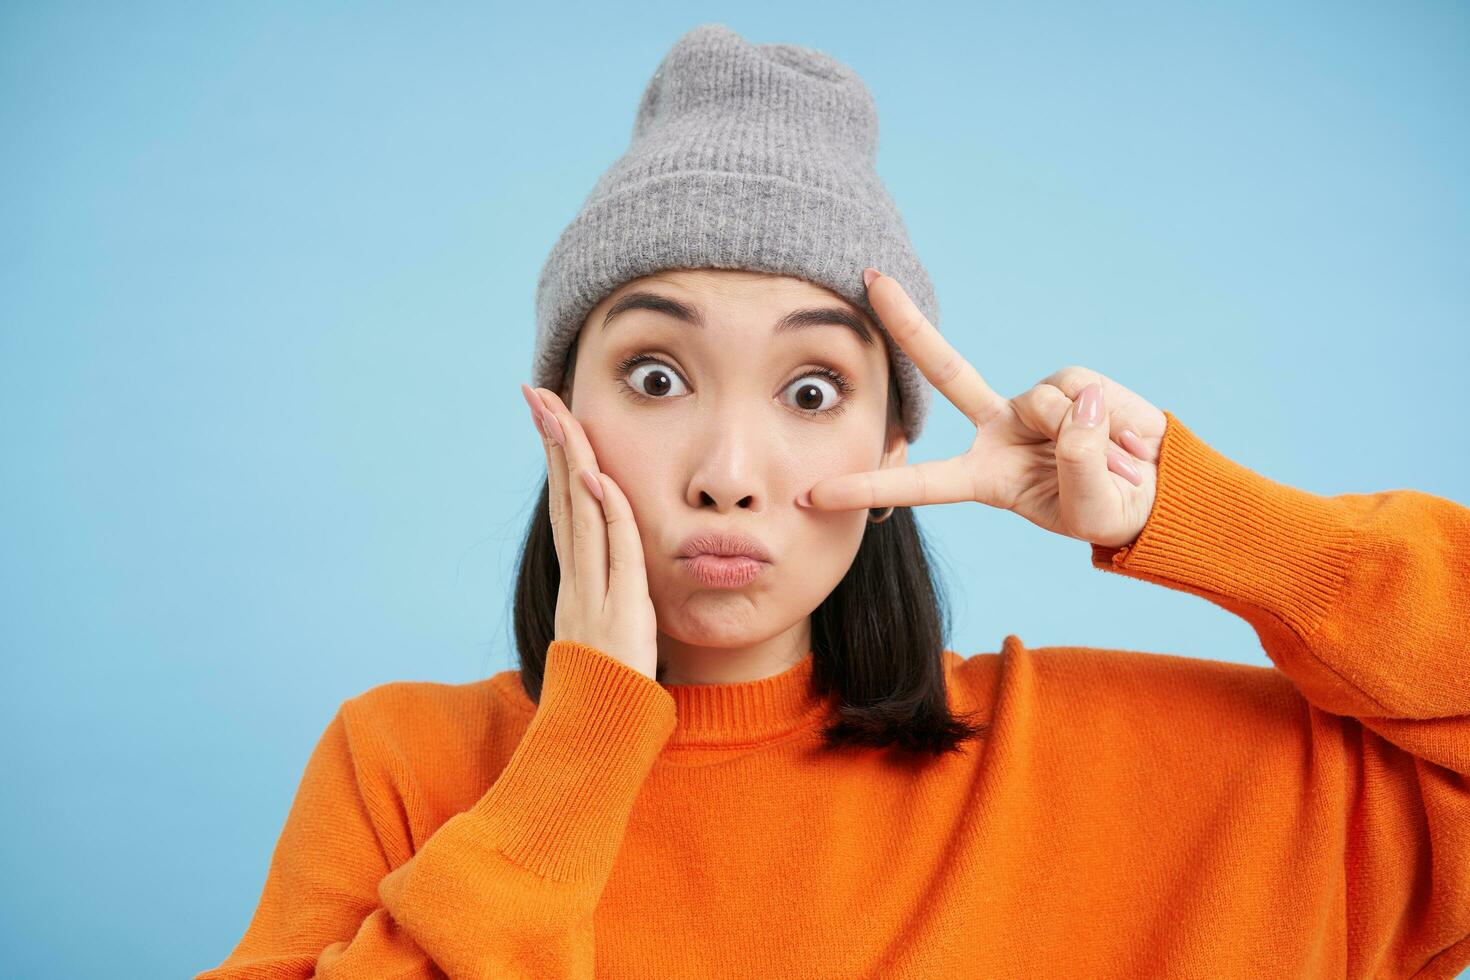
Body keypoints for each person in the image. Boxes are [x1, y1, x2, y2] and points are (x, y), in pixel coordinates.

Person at [197, 23, 1470, 979]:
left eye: (812, 389)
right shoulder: (409, 769)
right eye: (654, 373)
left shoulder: (1125, 767)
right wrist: (579, 758)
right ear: (560, 409)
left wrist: (1190, 512)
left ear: (892, 436)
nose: (728, 469)